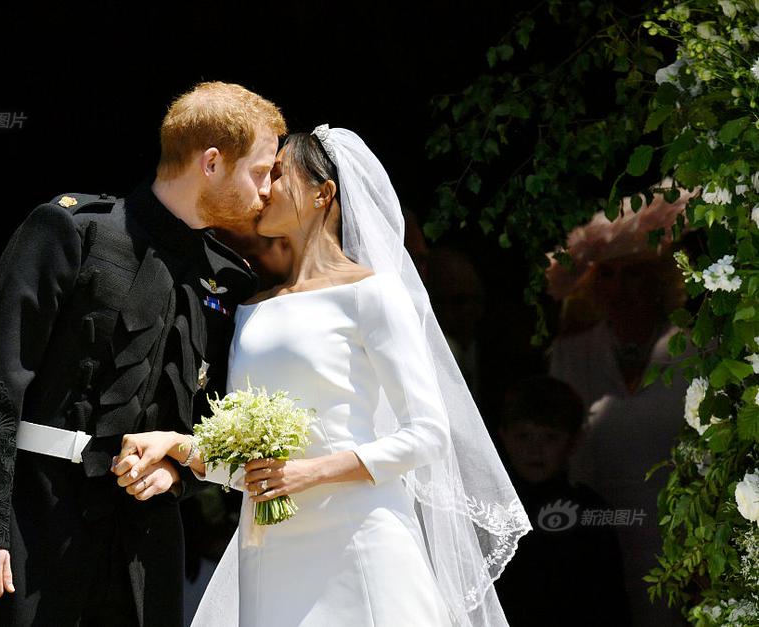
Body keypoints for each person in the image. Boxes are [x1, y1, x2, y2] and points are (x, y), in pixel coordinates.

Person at [114, 126, 531, 626]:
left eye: (277, 175)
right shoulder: (250, 307)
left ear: (322, 193)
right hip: (270, 550)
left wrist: (308, 473)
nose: (263, 188)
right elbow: (251, 467)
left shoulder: (372, 294)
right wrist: (178, 446)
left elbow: (428, 434)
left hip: (360, 538)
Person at [0, 81, 286, 626]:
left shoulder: (228, 280)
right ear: (212, 163)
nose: (267, 190)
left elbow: (213, 419)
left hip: (145, 547)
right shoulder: (71, 230)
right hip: (34, 522)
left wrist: (179, 473)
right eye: (261, 171)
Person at [545, 187, 692, 627]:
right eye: (607, 274)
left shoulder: (695, 349)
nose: (619, 288)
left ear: (658, 279)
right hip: (596, 539)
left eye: (633, 274)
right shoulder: (571, 354)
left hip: (679, 543)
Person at [494, 375, 631, 627]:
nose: (534, 449)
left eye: (549, 437)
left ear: (573, 441)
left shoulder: (590, 512)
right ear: (503, 436)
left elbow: (611, 604)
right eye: (523, 436)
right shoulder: (488, 510)